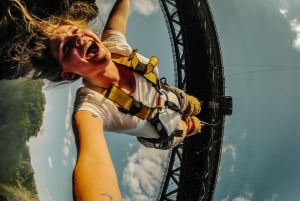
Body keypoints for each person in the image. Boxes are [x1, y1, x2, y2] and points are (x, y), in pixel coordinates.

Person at [3, 0, 204, 200]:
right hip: (167, 132)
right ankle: (191, 126)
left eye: (75, 30)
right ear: (69, 75)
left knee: (190, 103)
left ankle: (188, 106)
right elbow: (93, 162)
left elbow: (120, 13)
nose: (79, 39)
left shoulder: (115, 47)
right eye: (66, 48)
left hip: (172, 97)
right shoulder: (91, 105)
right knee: (189, 126)